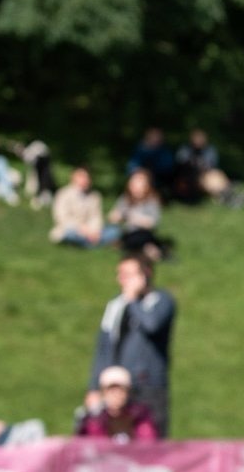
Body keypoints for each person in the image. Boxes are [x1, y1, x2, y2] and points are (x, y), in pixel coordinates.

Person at [87, 253, 176, 437]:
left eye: (128, 274)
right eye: (120, 274)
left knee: (151, 439)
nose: (122, 280)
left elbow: (152, 325)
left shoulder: (161, 300)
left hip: (148, 385)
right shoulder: (116, 305)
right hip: (117, 387)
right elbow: (104, 345)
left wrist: (133, 299)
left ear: (146, 274)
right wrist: (94, 387)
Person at [74, 365, 159, 443]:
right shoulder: (94, 421)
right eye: (111, 390)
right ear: (103, 392)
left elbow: (148, 444)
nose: (116, 395)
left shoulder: (140, 417)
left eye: (121, 390)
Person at [49, 167, 120, 249]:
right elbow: (62, 217)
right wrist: (82, 229)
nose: (84, 180)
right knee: (69, 234)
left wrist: (93, 232)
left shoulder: (94, 196)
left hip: (91, 230)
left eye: (87, 177)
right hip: (72, 228)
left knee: (114, 231)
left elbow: (96, 217)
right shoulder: (63, 194)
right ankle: (93, 244)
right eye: (81, 176)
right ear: (73, 177)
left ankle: (87, 244)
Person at [108, 168, 169, 261]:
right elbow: (112, 216)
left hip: (144, 233)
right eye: (133, 182)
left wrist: (133, 218)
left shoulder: (151, 200)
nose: (135, 185)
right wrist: (118, 216)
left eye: (139, 182)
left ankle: (148, 250)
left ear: (146, 185)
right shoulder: (125, 199)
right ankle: (149, 250)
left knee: (140, 237)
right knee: (113, 233)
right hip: (128, 232)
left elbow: (152, 223)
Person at [126, 127, 176, 192]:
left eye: (157, 137)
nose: (155, 139)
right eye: (153, 137)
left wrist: (151, 172)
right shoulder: (140, 150)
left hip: (160, 179)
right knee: (138, 179)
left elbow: (168, 167)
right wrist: (141, 172)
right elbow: (132, 165)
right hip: (142, 176)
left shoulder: (165, 151)